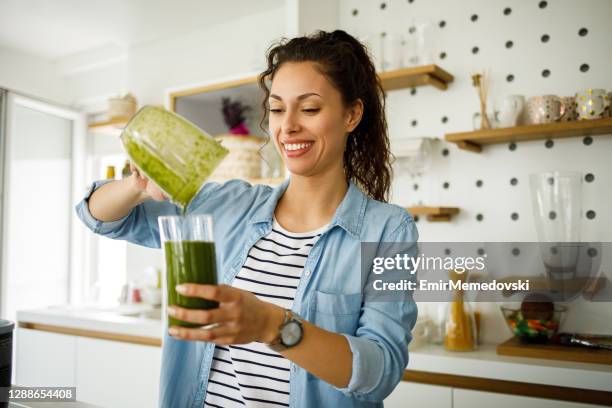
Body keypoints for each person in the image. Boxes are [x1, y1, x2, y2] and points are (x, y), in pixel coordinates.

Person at [76, 29, 418, 408]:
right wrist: (136, 185)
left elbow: (380, 371)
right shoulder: (225, 205)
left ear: (351, 114)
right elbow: (99, 217)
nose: (287, 126)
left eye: (309, 108)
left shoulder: (389, 230)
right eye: (276, 108)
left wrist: (273, 326)